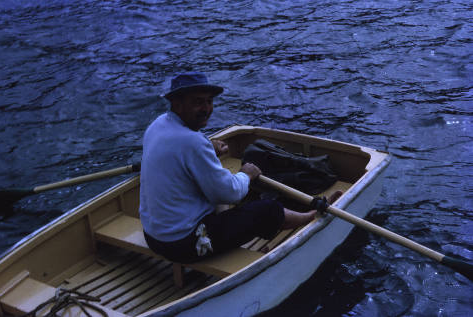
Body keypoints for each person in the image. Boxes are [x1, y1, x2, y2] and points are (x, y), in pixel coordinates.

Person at [139, 72, 340, 263]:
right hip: (183, 244)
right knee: (267, 209)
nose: (206, 108)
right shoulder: (192, 142)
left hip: (154, 237)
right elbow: (231, 193)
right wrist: (246, 175)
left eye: (209, 101)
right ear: (177, 103)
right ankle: (310, 217)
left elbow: (182, 150)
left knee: (217, 196)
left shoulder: (158, 125)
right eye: (198, 102)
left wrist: (208, 146)